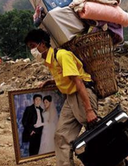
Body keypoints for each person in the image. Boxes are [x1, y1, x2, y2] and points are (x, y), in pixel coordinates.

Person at [24, 28, 99, 166]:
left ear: (42, 44)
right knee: (61, 136)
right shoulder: (50, 61)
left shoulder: (62, 56)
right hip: (71, 98)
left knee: (96, 135)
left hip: (82, 95)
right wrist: (51, 82)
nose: (32, 50)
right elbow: (66, 77)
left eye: (32, 46)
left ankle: (117, 161)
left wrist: (89, 110)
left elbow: (78, 81)